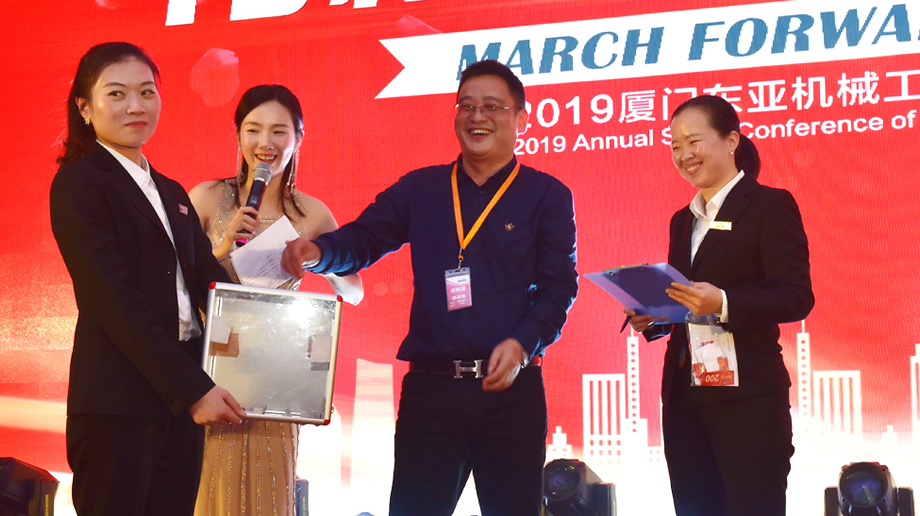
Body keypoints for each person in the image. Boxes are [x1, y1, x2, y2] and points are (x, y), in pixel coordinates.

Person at [282, 60, 578, 515]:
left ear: (521, 118)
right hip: (431, 391)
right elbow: (364, 238)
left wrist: (523, 344)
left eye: (492, 106)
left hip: (511, 391)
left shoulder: (547, 195)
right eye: (466, 106)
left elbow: (560, 287)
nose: (477, 116)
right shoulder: (422, 189)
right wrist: (319, 252)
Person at [50, 42, 246, 516]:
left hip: (179, 402)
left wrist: (281, 354)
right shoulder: (80, 182)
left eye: (147, 92)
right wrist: (193, 390)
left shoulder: (171, 190)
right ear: (85, 107)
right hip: (119, 402)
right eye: (117, 94)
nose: (136, 106)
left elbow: (211, 285)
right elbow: (113, 300)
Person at [627, 94, 813, 516]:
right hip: (685, 398)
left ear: (731, 141)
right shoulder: (683, 220)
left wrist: (724, 302)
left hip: (748, 400)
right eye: (675, 146)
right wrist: (655, 317)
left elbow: (797, 296)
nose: (684, 155)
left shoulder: (769, 205)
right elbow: (684, 302)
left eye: (694, 141)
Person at [188, 84, 363, 516]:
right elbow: (173, 281)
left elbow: (355, 291)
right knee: (207, 491)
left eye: (279, 131)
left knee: (267, 494)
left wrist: (319, 259)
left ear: (298, 138)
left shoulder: (312, 213)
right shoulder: (207, 198)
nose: (265, 142)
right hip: (208, 375)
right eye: (253, 129)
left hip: (274, 385)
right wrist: (222, 247)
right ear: (238, 135)